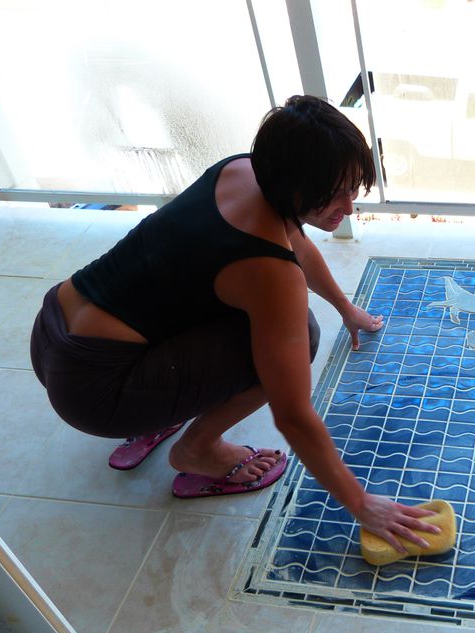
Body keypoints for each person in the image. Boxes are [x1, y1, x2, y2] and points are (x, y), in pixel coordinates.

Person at [30, 94, 438, 554]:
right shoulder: (269, 272)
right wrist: (361, 503)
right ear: (297, 187)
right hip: (95, 391)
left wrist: (346, 306)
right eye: (337, 191)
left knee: (220, 297)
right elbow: (293, 414)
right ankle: (197, 449)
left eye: (353, 188)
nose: (350, 205)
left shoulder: (244, 169)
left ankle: (157, 410)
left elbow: (298, 245)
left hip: (52, 330)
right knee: (300, 337)